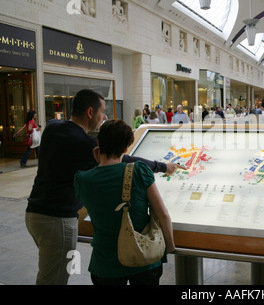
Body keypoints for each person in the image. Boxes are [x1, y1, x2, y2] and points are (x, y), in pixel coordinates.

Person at [25, 89, 185, 285]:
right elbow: (124, 158)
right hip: (57, 221)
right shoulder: (82, 142)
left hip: (34, 214)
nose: (104, 117)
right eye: (102, 112)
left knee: (48, 273)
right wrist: (163, 167)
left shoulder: (52, 127)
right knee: (54, 279)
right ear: (90, 112)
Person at [74, 119, 175, 285]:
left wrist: (98, 163)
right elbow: (162, 214)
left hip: (105, 264)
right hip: (144, 259)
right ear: (126, 148)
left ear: (99, 143)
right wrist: (170, 246)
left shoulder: (82, 179)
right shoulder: (139, 171)